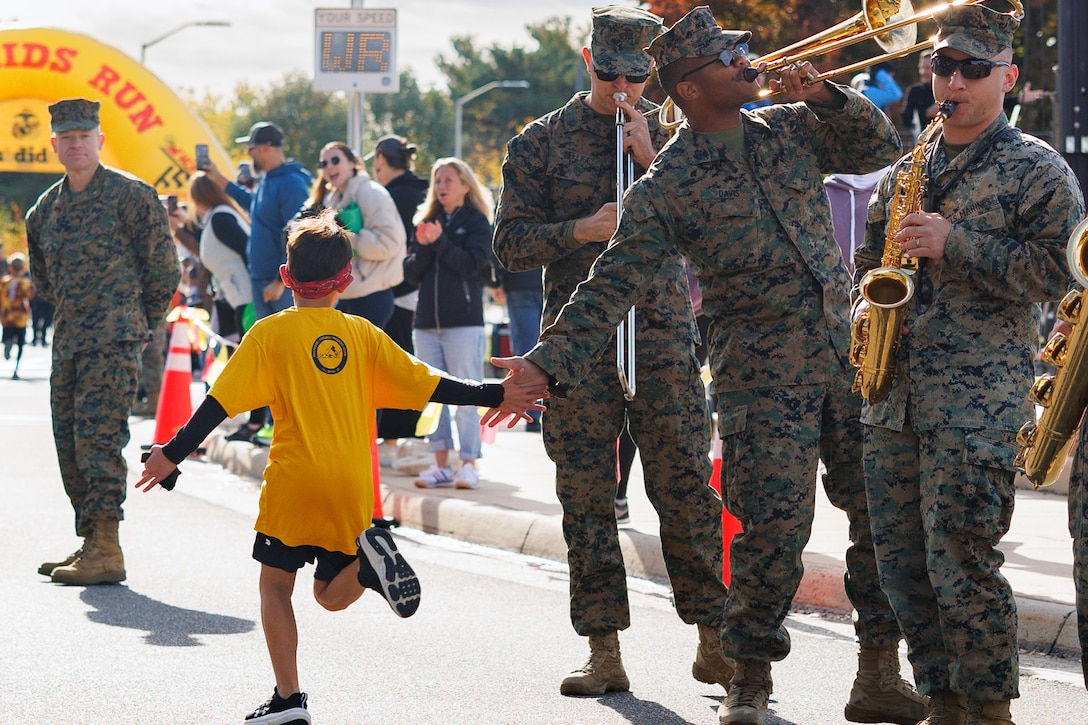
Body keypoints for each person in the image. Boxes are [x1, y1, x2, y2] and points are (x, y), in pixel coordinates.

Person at [487, 7, 928, 725]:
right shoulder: (671, 180)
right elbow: (610, 283)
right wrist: (544, 363)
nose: (748, 59)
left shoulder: (786, 126)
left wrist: (821, 93)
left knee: (878, 515)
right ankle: (747, 677)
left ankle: (877, 670)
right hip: (761, 373)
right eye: (731, 55)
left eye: (744, 48)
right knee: (772, 531)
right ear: (690, 87)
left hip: (840, 356)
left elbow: (876, 146)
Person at [137, 209, 545, 725]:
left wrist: (170, 452)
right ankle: (368, 563)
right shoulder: (363, 335)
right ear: (347, 279)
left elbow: (217, 405)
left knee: (275, 587)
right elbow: (431, 381)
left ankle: (288, 699)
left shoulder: (268, 335)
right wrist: (495, 392)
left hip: (294, 485)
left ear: (286, 278)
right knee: (330, 595)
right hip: (352, 487)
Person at [493, 5, 734, 700]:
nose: (622, 86)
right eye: (609, 72)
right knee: (587, 498)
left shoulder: (676, 134)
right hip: (578, 346)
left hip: (660, 336)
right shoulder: (538, 142)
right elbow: (509, 243)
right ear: (587, 59)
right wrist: (579, 228)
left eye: (637, 73)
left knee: (686, 487)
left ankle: (713, 635)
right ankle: (604, 650)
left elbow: (716, 231)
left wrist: (651, 162)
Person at [854, 6, 1085, 724]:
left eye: (972, 69)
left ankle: (988, 707)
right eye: (943, 66)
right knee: (901, 561)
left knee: (962, 557)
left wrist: (958, 244)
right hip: (894, 395)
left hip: (978, 398)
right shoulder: (907, 168)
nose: (952, 81)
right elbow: (866, 261)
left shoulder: (1036, 168)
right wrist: (861, 308)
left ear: (1008, 78)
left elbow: (1062, 273)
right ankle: (942, 697)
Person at [26, 98, 179, 585]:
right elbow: (44, 281)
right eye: (66, 137)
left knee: (99, 441)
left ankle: (108, 547)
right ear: (54, 145)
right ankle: (90, 540)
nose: (75, 144)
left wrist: (136, 325)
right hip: (69, 339)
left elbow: (165, 271)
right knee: (69, 443)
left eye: (83, 136)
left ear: (100, 140)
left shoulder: (132, 197)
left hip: (114, 342)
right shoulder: (45, 210)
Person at [202, 121, 311, 442]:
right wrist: (220, 181)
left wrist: (284, 277)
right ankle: (273, 424)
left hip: (278, 283)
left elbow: (300, 232)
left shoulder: (290, 183)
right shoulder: (269, 181)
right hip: (264, 280)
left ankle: (294, 425)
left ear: (265, 148)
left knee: (289, 356)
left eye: (250, 147)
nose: (247, 153)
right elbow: (255, 206)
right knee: (270, 357)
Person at [403, 157, 497, 491]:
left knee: (468, 395)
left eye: (449, 180)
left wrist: (440, 242)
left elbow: (473, 266)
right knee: (433, 396)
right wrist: (427, 244)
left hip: (464, 325)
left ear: (465, 186)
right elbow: (411, 273)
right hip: (426, 325)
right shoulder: (425, 221)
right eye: (437, 181)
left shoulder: (476, 222)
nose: (441, 186)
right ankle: (440, 463)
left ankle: (468, 463)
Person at [367, 135, 431, 457]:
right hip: (421, 289)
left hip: (398, 288)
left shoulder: (388, 196)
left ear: (380, 158)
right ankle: (401, 437)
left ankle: (394, 438)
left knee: (395, 364)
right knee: (408, 363)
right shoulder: (421, 191)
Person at [308, 141, 406, 328]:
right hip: (347, 295)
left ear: (352, 163)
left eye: (335, 160)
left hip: (373, 296)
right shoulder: (332, 198)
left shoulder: (371, 192)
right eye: (324, 163)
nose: (329, 167)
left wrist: (345, 236)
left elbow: (389, 244)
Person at [189, 171, 253, 341]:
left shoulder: (220, 217)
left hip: (248, 298)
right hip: (239, 298)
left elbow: (246, 248)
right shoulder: (217, 217)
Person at [1, 252, 35, 379]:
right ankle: (16, 368)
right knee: (21, 343)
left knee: (7, 335)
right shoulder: (25, 283)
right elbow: (31, 295)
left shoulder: (4, 282)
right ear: (23, 268)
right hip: (20, 317)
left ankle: (7, 345)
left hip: (6, 316)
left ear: (10, 268)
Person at [901, 50, 937, 141]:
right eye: (921, 68)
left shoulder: (946, 89)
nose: (923, 72)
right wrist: (926, 113)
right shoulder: (914, 91)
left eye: (927, 68)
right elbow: (906, 118)